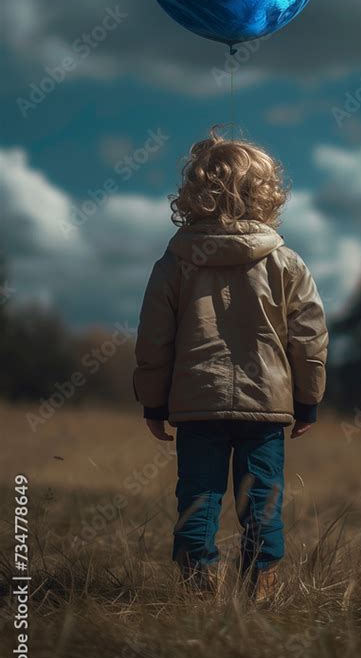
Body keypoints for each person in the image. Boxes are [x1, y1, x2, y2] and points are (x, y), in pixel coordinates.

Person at [133, 129, 328, 600]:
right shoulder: (286, 262)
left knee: (197, 498)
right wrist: (308, 400)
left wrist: (153, 404)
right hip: (265, 404)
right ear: (267, 193)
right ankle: (262, 584)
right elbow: (309, 338)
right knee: (262, 499)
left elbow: (153, 341)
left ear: (193, 194)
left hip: (196, 404)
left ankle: (199, 585)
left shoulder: (174, 263)